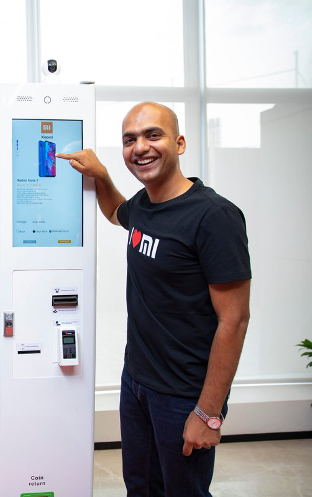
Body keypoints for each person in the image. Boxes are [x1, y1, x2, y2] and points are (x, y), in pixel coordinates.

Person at [57, 102, 251, 497]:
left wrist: (208, 413)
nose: (140, 147)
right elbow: (116, 211)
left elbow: (234, 320)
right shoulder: (144, 205)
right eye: (129, 140)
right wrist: (102, 175)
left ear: (179, 143)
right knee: (141, 488)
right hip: (137, 381)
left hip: (183, 394)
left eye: (153, 135)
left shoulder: (214, 216)